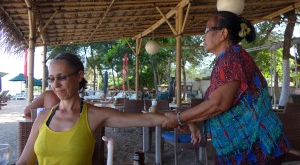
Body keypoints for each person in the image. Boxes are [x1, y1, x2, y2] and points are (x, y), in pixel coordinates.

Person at [163, 11, 290, 165]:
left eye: (206, 30)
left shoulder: (232, 58)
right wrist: (190, 122)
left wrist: (179, 118)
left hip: (258, 147)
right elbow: (217, 106)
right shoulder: (227, 59)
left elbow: (218, 104)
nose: (203, 36)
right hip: (245, 148)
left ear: (222, 33)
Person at [17, 53, 166, 165]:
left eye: (61, 77)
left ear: (79, 76)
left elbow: (147, 118)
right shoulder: (43, 117)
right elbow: (23, 161)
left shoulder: (93, 115)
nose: (55, 84)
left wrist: (177, 118)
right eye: (51, 78)